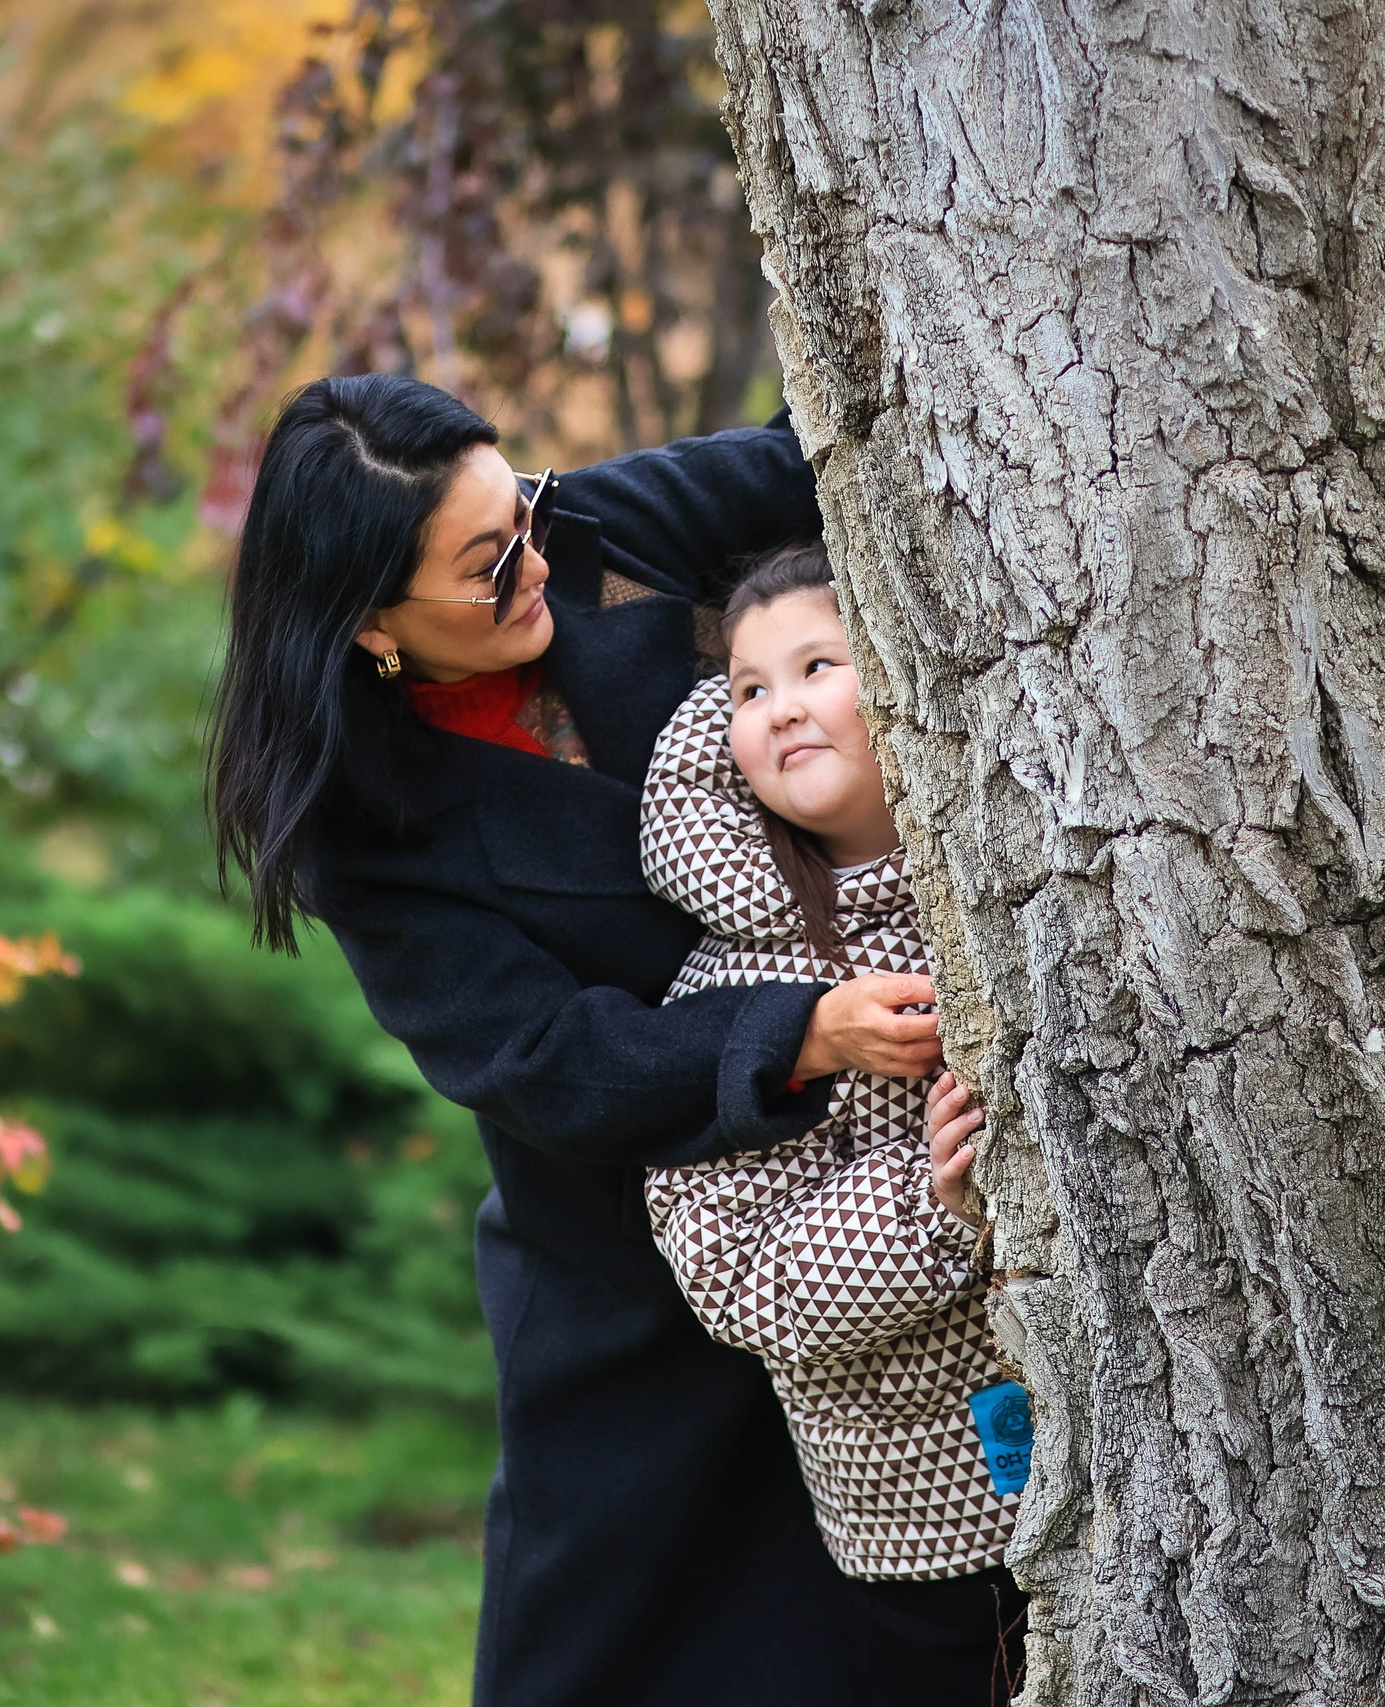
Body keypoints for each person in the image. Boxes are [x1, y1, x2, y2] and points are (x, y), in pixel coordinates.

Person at [207, 374, 950, 1706]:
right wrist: (800, 1030)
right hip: (627, 1263)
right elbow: (544, 1055)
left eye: (522, 509)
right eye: (487, 564)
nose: (539, 559)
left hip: (890, 1190)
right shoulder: (357, 818)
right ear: (370, 621)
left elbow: (815, 445)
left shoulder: (590, 528)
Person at [641, 542, 1027, 1707]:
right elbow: (735, 1277)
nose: (782, 707)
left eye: (819, 665)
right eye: (751, 690)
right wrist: (928, 1201)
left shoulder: (1030, 874)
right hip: (926, 1511)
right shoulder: (731, 993)